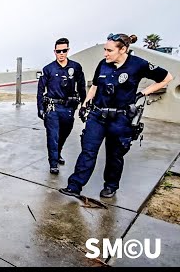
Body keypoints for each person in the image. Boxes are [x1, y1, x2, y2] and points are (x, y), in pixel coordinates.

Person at [59, 33, 174, 199]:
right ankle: (74, 186)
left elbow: (167, 78)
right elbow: (95, 86)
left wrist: (142, 93)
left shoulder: (138, 65)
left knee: (115, 155)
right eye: (105, 49)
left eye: (109, 50)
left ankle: (111, 186)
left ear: (123, 50)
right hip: (97, 115)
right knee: (88, 151)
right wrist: (85, 105)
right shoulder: (103, 64)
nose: (105, 53)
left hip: (120, 119)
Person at [37, 38, 86, 174]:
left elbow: (81, 86)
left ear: (68, 50)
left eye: (64, 50)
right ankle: (53, 163)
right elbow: (40, 90)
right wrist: (40, 108)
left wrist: (84, 104)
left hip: (69, 108)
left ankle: (57, 153)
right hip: (52, 108)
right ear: (55, 52)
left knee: (64, 134)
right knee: (53, 135)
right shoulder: (48, 69)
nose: (61, 53)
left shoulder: (75, 67)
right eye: (59, 51)